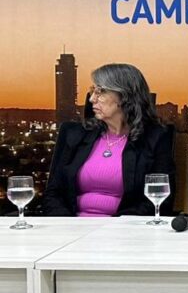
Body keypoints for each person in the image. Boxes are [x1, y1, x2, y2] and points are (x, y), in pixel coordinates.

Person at [42, 63, 174, 216]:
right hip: (71, 225)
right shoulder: (73, 134)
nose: (92, 99)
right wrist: (69, 225)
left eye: (101, 91)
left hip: (124, 227)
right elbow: (53, 194)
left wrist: (114, 225)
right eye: (93, 91)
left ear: (125, 96)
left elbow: (161, 200)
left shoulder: (156, 138)